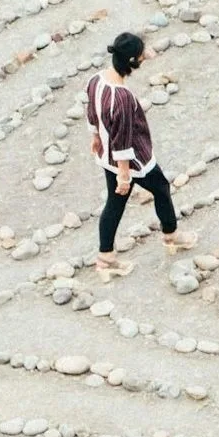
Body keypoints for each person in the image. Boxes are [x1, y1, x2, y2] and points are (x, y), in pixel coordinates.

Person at [85, 31, 192, 279]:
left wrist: (95, 136)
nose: (145, 57)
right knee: (161, 188)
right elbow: (123, 136)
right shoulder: (122, 97)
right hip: (133, 160)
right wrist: (125, 174)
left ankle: (106, 258)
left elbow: (92, 111)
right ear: (133, 60)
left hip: (107, 156)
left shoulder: (96, 80)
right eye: (142, 55)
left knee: (115, 204)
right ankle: (172, 237)